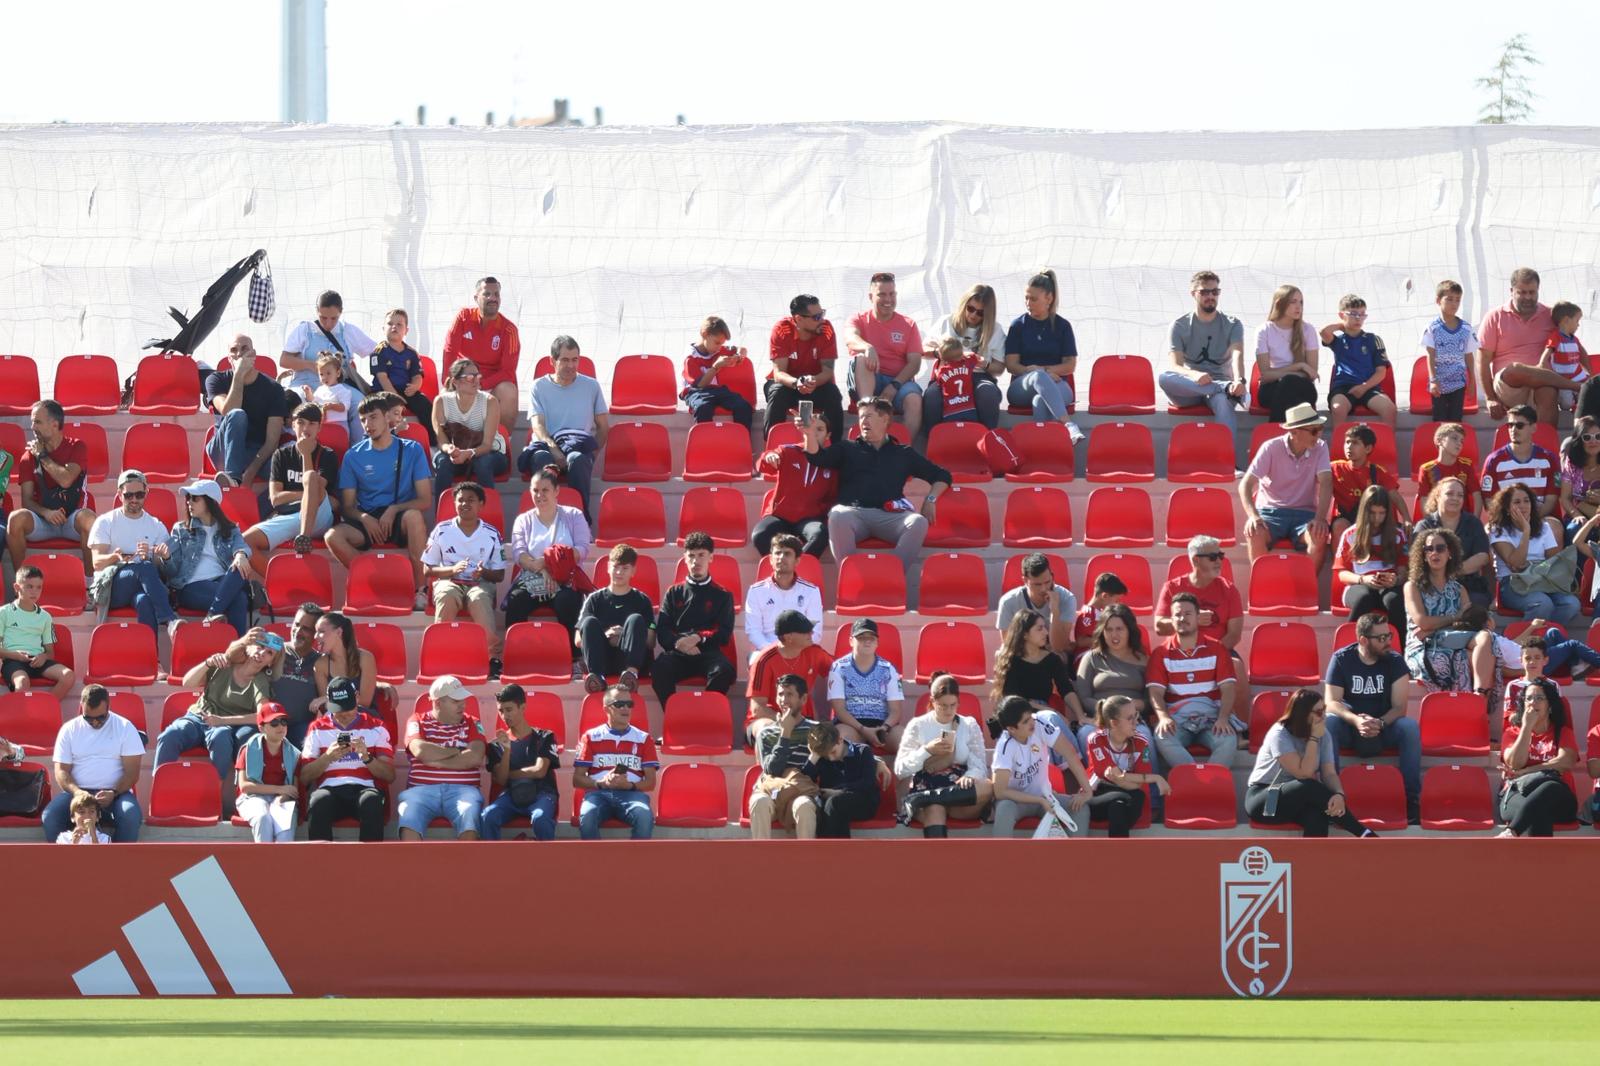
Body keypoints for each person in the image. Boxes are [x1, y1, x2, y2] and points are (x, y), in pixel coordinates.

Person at [804, 396, 952, 575]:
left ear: (885, 419)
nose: (863, 421)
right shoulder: (846, 448)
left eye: (868, 416)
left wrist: (930, 499)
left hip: (890, 516)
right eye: (860, 417)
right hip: (853, 515)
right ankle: (851, 578)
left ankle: (891, 577)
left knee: (918, 522)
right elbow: (817, 457)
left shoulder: (903, 453)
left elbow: (942, 475)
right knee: (837, 515)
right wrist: (808, 433)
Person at [325, 394, 432, 593]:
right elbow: (347, 507)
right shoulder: (353, 455)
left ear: (387, 418)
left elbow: (425, 500)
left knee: (415, 517)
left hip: (400, 517)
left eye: (373, 417)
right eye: (363, 419)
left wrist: (394, 509)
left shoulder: (412, 449)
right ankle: (374, 580)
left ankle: (421, 590)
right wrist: (364, 518)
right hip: (369, 519)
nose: (368, 424)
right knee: (332, 536)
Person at [157, 627, 281, 796]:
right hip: (197, 718)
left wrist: (223, 721)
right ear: (250, 646)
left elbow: (261, 716)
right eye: (260, 646)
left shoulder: (260, 682)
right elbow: (187, 683)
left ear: (271, 662)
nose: (261, 653)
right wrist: (207, 663)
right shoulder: (225, 664)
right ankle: (160, 791)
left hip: (221, 725)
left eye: (269, 653)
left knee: (221, 738)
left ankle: (213, 797)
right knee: (170, 735)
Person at [1324, 612, 1422, 824]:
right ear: (1363, 640)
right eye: (1381, 638)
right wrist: (1356, 721)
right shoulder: (1342, 659)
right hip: (1350, 728)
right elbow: (1331, 702)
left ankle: (1411, 800)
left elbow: (1399, 707)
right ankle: (1332, 797)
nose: (1387, 642)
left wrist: (1380, 722)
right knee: (1328, 722)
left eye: (1389, 636)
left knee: (1410, 727)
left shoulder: (1395, 661)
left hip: (1383, 728)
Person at [1245, 688, 1375, 837]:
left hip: (1294, 801)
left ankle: (1312, 860)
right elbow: (1304, 774)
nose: (1324, 716)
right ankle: (1363, 833)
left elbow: (1329, 773)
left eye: (1324, 710)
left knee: (1318, 816)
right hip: (1265, 800)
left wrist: (1339, 795)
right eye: (1319, 712)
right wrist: (1313, 738)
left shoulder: (1323, 734)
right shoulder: (1280, 734)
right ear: (1303, 713)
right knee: (1308, 785)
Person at [1153, 535, 1247, 717]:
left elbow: (1234, 635)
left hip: (1219, 650)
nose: (1219, 561)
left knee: (1236, 668)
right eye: (1213, 557)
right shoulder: (1173, 587)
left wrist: (1210, 654)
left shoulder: (1228, 589)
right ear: (1196, 560)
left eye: (1221, 555)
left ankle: (1242, 729)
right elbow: (1159, 626)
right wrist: (1188, 620)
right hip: (1178, 651)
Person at [517, 337, 608, 520]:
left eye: (575, 360)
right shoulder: (539, 387)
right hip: (547, 448)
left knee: (578, 459)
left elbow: (603, 427)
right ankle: (543, 520)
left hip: (577, 448)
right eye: (565, 360)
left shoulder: (591, 386)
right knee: (542, 457)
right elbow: (538, 426)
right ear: (553, 361)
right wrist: (555, 450)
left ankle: (581, 521)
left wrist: (593, 452)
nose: (571, 365)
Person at [421, 481, 506, 675]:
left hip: (480, 583)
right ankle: (439, 655)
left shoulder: (492, 534)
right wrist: (452, 569)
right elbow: (427, 569)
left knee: (479, 599)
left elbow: (499, 575)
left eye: (471, 500)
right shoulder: (441, 530)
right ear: (454, 504)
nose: (465, 504)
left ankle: (492, 659)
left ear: (481, 504)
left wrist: (483, 572)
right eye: (460, 500)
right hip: (449, 581)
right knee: (446, 596)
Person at [40, 685, 143, 843]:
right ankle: (62, 864)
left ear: (108, 707)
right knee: (50, 817)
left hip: (115, 793)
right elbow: (61, 771)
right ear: (81, 707)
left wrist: (113, 792)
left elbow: (132, 773)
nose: (94, 722)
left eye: (100, 718)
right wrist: (77, 792)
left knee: (130, 816)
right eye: (88, 717)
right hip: (77, 793)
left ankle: (120, 864)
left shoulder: (125, 727)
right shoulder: (69, 729)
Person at [1147, 594, 1239, 770]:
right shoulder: (1160, 653)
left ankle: (1209, 785)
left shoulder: (1217, 648)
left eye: (1188, 614)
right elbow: (1155, 693)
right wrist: (1164, 717)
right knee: (1162, 736)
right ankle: (1195, 781)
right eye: (1177, 614)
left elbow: (1228, 689)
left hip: (1212, 718)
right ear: (1171, 619)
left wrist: (1223, 718)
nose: (1182, 618)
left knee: (1228, 740)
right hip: (1177, 720)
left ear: (1198, 617)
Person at [895, 672, 992, 837]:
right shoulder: (918, 725)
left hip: (958, 792)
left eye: (953, 705)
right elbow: (900, 769)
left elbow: (979, 764)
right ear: (932, 702)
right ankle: (938, 861)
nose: (949, 711)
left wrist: (971, 776)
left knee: (988, 786)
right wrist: (927, 750)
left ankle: (926, 798)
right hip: (926, 783)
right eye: (943, 705)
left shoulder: (968, 724)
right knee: (935, 808)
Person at [1402, 527, 1496, 695]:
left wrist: (1483, 622)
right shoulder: (1412, 587)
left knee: (1486, 637)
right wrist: (1455, 617)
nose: (1434, 553)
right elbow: (1422, 622)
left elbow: (1467, 623)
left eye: (1440, 548)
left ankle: (1480, 695)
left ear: (1449, 553)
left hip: (1454, 641)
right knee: (1466, 658)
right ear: (1423, 555)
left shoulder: (1459, 590)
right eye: (1429, 549)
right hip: (1424, 647)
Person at [300, 675, 395, 842]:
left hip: (365, 788)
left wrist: (367, 757)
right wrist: (327, 758)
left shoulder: (376, 726)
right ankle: (319, 864)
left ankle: (371, 864)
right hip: (330, 790)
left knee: (371, 801)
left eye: (348, 708)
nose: (343, 714)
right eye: (338, 709)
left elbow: (389, 776)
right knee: (318, 801)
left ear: (357, 697)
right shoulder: (317, 728)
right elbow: (304, 776)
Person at [1240, 402, 1333, 569]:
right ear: (1293, 431)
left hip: (1305, 514)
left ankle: (1308, 589)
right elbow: (1245, 485)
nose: (1319, 434)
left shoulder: (1320, 447)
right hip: (1270, 512)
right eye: (1314, 430)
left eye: (1320, 428)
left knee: (1319, 534)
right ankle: (1261, 586)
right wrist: (1253, 516)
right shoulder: (1271, 447)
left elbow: (1326, 483)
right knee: (1254, 532)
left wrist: (1319, 519)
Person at [504, 464, 593, 638]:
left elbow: (582, 550)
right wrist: (543, 570)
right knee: (517, 600)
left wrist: (546, 562)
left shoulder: (573, 515)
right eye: (535, 490)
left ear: (556, 491)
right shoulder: (523, 520)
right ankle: (514, 654)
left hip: (566, 578)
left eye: (545, 490)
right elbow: (519, 554)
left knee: (567, 601)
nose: (540, 495)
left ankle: (574, 660)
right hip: (532, 576)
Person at [6, 399, 95, 572]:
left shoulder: (77, 446)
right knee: (15, 519)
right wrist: (46, 513)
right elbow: (26, 501)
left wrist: (42, 456)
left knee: (89, 518)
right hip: (43, 520)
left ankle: (90, 585)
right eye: (32, 422)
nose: (32, 427)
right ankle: (21, 582)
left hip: (72, 519)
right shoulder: (28, 457)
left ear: (54, 424)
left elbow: (66, 479)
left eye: (37, 422)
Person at [161, 479, 257, 638]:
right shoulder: (181, 529)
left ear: (210, 502)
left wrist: (240, 554)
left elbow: (242, 546)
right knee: (238, 598)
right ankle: (237, 648)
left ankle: (214, 617)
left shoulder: (230, 529)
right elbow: (172, 572)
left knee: (239, 568)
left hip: (221, 581)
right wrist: (167, 558)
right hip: (190, 586)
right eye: (188, 498)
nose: (189, 502)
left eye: (195, 498)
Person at [244, 402, 340, 557]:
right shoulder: (281, 455)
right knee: (245, 542)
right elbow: (275, 499)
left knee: (310, 477)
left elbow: (315, 487)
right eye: (301, 423)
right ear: (293, 424)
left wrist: (306, 454)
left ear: (319, 427)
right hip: (291, 515)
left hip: (319, 516)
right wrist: (307, 495)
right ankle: (272, 581)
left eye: (312, 424)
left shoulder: (328, 455)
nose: (305, 428)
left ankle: (305, 537)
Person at [987, 696, 1091, 838]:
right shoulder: (1004, 746)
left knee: (1081, 808)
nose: (1032, 722)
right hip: (1016, 802)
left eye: (1030, 716)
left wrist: (1087, 791)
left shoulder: (1040, 723)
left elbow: (1070, 754)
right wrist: (1039, 800)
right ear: (1011, 729)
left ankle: (1074, 859)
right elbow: (1000, 792)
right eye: (1025, 721)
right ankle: (1000, 859)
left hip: (1045, 797)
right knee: (1005, 808)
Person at [651, 532, 735, 706]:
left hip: (709, 653)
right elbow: (663, 630)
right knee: (659, 668)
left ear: (711, 557)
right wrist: (680, 644)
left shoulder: (723, 595)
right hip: (679, 653)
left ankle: (704, 715)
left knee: (724, 671)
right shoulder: (674, 592)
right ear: (685, 558)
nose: (696, 561)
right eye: (691, 556)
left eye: (701, 555)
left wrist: (698, 638)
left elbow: (724, 632)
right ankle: (673, 716)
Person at [397, 675, 486, 841]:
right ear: (437, 703)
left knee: (469, 815)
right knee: (409, 817)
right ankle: (413, 867)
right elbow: (420, 750)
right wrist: (457, 750)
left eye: (463, 699)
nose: (463, 705)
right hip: (421, 791)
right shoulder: (417, 720)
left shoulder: (472, 722)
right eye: (455, 701)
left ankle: (466, 867)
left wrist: (434, 760)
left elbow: (475, 757)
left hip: (464, 791)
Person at [87, 469, 174, 636]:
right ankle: (170, 619)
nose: (134, 499)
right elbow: (96, 562)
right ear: (120, 494)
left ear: (146, 493)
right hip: (111, 587)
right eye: (129, 495)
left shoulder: (155, 525)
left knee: (145, 600)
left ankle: (152, 658)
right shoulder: (105, 521)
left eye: (139, 494)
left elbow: (164, 568)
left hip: (142, 585)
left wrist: (154, 555)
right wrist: (115, 557)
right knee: (144, 566)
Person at [1159, 270, 1247, 433]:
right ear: (1193, 294)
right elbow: (1175, 365)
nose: (1210, 296)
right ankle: (1221, 387)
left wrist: (1240, 380)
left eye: (1215, 292)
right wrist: (1193, 375)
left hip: (1221, 385)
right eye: (1205, 292)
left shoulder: (1232, 324)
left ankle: (1228, 457)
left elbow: (1237, 356)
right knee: (1164, 378)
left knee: (1222, 401)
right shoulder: (1179, 326)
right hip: (1190, 388)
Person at [1004, 268, 1084, 441]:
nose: (1028, 303)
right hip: (1022, 386)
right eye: (1026, 297)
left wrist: (1045, 371)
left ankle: (1045, 453)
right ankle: (1069, 425)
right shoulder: (1018, 326)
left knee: (1040, 401)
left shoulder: (1063, 326)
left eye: (1033, 299)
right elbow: (1011, 365)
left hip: (1057, 383)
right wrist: (1035, 373)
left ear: (1049, 298)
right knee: (1038, 377)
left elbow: (1070, 365)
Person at [844, 271, 924, 439]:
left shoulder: (908, 324)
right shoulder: (858, 319)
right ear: (870, 296)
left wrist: (894, 386)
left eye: (892, 294)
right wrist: (867, 347)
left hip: (899, 382)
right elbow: (850, 338)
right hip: (869, 379)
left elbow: (915, 363)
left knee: (915, 400)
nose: (888, 300)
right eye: (882, 294)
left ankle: (902, 452)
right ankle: (868, 413)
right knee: (861, 358)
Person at [573, 684, 658, 840]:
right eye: (619, 704)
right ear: (606, 709)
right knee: (588, 815)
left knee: (645, 816)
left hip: (632, 795)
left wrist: (630, 786)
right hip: (598, 794)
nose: (625, 708)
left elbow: (651, 783)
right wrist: (602, 783)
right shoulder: (591, 736)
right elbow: (577, 779)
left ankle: (635, 864)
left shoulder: (644, 739)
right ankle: (594, 863)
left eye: (629, 704)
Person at [204, 335, 290, 489]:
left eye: (244, 349)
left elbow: (272, 441)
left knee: (287, 471)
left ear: (254, 354)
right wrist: (238, 375)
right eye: (234, 350)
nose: (239, 354)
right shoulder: (215, 379)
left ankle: (267, 511)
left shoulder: (273, 389)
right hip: (222, 449)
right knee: (237, 414)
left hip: (255, 453)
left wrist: (251, 472)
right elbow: (228, 411)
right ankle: (232, 478)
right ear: (229, 357)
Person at [1497, 678, 1579, 837]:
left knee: (1550, 787)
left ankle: (1511, 832)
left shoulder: (1563, 732)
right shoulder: (1512, 733)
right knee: (1538, 812)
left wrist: (1528, 770)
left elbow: (1565, 762)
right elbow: (1515, 762)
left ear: (1550, 705)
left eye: (1539, 698)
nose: (1533, 702)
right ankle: (1542, 861)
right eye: (1528, 698)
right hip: (1517, 794)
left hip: (1559, 799)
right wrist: (1526, 728)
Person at [1488, 484, 1579, 627]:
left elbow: (1553, 560)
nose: (1523, 506)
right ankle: (1523, 643)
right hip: (1512, 583)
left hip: (1541, 579)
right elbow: (1516, 563)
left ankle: (1545, 639)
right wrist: (1526, 530)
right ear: (1506, 508)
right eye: (1517, 502)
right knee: (1543, 603)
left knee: (1571, 604)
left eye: (1527, 501)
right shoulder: (1498, 530)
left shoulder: (1544, 527)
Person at [991, 608, 1083, 751]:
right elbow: (1014, 699)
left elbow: (1066, 689)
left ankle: (1075, 762)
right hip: (1019, 714)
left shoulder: (1051, 659)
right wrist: (1053, 712)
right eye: (1040, 629)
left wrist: (1080, 715)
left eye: (1045, 628)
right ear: (1025, 634)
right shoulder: (1010, 661)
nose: (1046, 632)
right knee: (1048, 719)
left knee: (1048, 721)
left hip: (1043, 710)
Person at [1477, 267, 1559, 424]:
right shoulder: (1495, 317)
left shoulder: (1551, 315)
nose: (1528, 297)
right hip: (1509, 387)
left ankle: (1545, 446)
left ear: (1538, 290)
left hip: (1541, 384)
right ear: (1511, 291)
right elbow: (1483, 360)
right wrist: (1490, 398)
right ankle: (1576, 386)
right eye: (1522, 292)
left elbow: (1573, 343)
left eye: (1532, 292)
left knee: (1549, 392)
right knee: (1516, 369)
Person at [442, 276, 520, 436]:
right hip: (464, 379)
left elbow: (508, 371)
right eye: (487, 294)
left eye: (496, 294)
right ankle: (448, 445)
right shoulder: (463, 317)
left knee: (509, 391)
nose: (493, 298)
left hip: (492, 385)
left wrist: (479, 384)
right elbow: (449, 351)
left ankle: (503, 443)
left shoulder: (509, 330)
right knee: (443, 395)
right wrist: (450, 380)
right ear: (476, 298)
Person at [752, 411, 837, 558]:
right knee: (760, 535)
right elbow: (763, 466)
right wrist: (768, 457)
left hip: (810, 519)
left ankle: (797, 569)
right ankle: (779, 570)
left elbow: (832, 496)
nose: (814, 433)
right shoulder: (788, 451)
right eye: (811, 427)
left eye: (820, 429)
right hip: (781, 516)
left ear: (828, 436)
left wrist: (821, 512)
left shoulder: (832, 462)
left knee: (820, 535)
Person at [482, 683, 560, 842]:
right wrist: (507, 751)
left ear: (523, 708)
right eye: (501, 711)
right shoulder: (496, 745)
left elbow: (540, 771)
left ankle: (549, 863)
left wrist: (511, 774)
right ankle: (491, 863)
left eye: (509, 710)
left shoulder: (545, 736)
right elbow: (502, 780)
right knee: (488, 816)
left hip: (542, 793)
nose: (504, 716)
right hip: (511, 795)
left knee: (541, 818)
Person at [922, 284, 1005, 431]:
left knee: (987, 392)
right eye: (970, 309)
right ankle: (933, 441)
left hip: (978, 376)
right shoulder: (946, 322)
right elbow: (922, 350)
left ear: (988, 314)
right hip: (947, 375)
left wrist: (984, 364)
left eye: (980, 313)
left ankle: (989, 439)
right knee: (932, 396)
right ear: (964, 304)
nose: (973, 315)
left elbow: (999, 368)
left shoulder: (995, 330)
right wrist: (939, 352)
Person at [765, 293, 845, 444]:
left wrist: (812, 381)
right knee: (776, 392)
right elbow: (778, 373)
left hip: (816, 384)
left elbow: (828, 372)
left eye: (822, 314)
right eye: (816, 317)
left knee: (833, 394)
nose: (821, 320)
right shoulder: (782, 329)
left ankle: (835, 448)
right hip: (789, 385)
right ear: (799, 319)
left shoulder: (826, 329)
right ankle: (771, 450)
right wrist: (797, 383)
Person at [1083, 695, 1168, 837]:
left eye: (1136, 715)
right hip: (1098, 794)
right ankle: (1120, 854)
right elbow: (1112, 775)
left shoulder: (1141, 742)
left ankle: (1117, 854)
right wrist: (1154, 778)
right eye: (1130, 718)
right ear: (1114, 723)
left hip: (1129, 795)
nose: (1137, 721)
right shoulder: (1096, 739)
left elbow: (1137, 784)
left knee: (1126, 801)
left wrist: (1123, 780)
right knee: (1118, 804)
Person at [745, 609, 833, 746]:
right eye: (805, 631)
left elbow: (840, 671)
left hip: (803, 719)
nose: (812, 634)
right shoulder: (764, 660)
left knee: (827, 740)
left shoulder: (815, 653)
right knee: (769, 733)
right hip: (770, 719)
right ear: (788, 637)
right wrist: (783, 721)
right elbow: (757, 708)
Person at [1073, 604, 1152, 756]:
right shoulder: (1091, 658)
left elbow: (1150, 701)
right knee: (1085, 735)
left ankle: (1150, 780)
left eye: (1119, 629)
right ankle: (1093, 779)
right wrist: (1110, 711)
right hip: (1099, 720)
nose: (1114, 635)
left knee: (1144, 736)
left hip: (1134, 720)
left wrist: (1130, 709)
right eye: (1108, 629)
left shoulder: (1144, 661)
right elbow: (1084, 697)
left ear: (1130, 631)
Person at [748, 676, 821, 840]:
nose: (784, 700)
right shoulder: (766, 733)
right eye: (780, 694)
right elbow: (772, 770)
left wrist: (876, 761)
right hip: (772, 791)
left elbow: (840, 748)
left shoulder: (816, 730)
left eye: (789, 694)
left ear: (803, 699)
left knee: (804, 805)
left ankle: (807, 862)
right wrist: (785, 734)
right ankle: (760, 861)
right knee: (759, 801)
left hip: (800, 791)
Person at [576, 543, 654, 694]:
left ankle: (631, 675)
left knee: (635, 619)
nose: (619, 572)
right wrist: (606, 636)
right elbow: (578, 640)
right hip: (602, 659)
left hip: (629, 658)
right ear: (608, 567)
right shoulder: (594, 599)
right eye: (616, 566)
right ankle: (596, 677)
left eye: (625, 568)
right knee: (589, 622)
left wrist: (624, 635)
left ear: (633, 571)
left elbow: (651, 642)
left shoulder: (642, 600)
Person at [430, 357, 507, 504]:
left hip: (490, 453)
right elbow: (442, 440)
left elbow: (487, 444)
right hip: (458, 454)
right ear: (455, 382)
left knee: (482, 463)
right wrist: (450, 449)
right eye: (470, 377)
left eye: (478, 376)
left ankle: (489, 515)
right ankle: (441, 517)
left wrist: (469, 453)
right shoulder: (441, 402)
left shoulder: (490, 401)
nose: (476, 380)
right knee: (443, 462)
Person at [1333, 484, 1409, 631]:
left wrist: (1396, 580)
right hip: (1358, 586)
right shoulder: (1350, 534)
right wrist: (1363, 580)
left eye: (1382, 513)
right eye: (1372, 513)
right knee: (1364, 599)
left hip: (1388, 588)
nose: (1377, 518)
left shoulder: (1397, 535)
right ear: (1364, 511)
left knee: (1395, 600)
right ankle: (1350, 646)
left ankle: (1402, 649)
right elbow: (1342, 573)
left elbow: (1403, 571)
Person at [802, 719, 895, 838]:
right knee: (827, 807)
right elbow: (805, 780)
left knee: (835, 803)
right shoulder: (823, 756)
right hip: (832, 803)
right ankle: (832, 850)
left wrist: (841, 791)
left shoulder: (862, 751)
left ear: (840, 740)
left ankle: (834, 851)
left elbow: (868, 783)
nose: (830, 758)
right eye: (826, 755)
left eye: (833, 752)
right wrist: (814, 756)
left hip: (863, 801)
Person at [1413, 476, 1494, 609]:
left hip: (1468, 584)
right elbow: (1418, 559)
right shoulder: (1424, 525)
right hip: (1432, 585)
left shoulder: (1473, 523)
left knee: (1476, 604)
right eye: (1449, 494)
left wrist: (1451, 572)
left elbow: (1482, 557)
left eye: (1460, 495)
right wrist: (1441, 577)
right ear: (1437, 496)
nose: (1455, 498)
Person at [743, 533, 824, 664]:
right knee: (755, 660)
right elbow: (753, 631)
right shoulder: (756, 591)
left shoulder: (811, 591)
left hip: (800, 650)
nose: (781, 557)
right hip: (767, 651)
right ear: (770, 559)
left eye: (787, 554)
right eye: (778, 553)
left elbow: (816, 632)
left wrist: (793, 651)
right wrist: (774, 651)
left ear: (797, 560)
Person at [827, 618, 906, 751]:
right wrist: (863, 729)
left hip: (883, 727)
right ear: (851, 641)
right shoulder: (838, 668)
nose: (867, 641)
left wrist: (884, 728)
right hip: (851, 726)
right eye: (861, 637)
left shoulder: (889, 669)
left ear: (877, 642)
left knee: (905, 740)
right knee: (841, 741)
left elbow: (895, 710)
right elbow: (839, 709)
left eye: (872, 638)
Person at [1319, 293, 1395, 429]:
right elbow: (1323, 332)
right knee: (1338, 408)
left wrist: (1364, 387)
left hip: (1369, 387)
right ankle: (1339, 447)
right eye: (1353, 314)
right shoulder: (1338, 341)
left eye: (1362, 314)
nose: (1358, 318)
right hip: (1344, 388)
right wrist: (1342, 325)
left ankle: (1388, 446)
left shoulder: (1373, 339)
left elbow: (1381, 372)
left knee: (1389, 409)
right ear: (1342, 315)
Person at [280, 289, 378, 393]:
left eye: (333, 318)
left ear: (341, 312)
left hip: (340, 388)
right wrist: (312, 365)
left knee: (361, 405)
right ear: (317, 311)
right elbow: (284, 360)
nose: (328, 323)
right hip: (305, 385)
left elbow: (376, 351)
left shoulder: (348, 331)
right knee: (297, 400)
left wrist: (381, 375)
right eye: (323, 317)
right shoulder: (305, 330)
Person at [0, 564, 74, 698]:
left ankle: (45, 709)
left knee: (68, 676)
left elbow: (50, 653)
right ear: (17, 587)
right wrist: (15, 655)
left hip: (38, 661)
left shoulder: (45, 616)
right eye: (29, 586)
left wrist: (43, 656)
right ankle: (21, 718)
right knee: (22, 682)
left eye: (38, 587)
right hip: (13, 662)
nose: (34, 591)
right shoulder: (3, 612)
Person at [1480, 404, 1560, 524]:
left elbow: (1551, 500)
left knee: (1555, 526)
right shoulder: (1494, 461)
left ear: (1533, 428)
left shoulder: (1550, 460)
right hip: (1507, 522)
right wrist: (1513, 521)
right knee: (1488, 531)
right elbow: (1489, 500)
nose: (1513, 430)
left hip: (1539, 520)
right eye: (1510, 425)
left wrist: (1529, 520)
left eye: (1519, 425)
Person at [233, 702, 300, 843]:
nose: (280, 726)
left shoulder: (294, 753)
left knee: (285, 830)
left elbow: (293, 789)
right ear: (261, 727)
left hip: (281, 798)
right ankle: (264, 863)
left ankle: (281, 865)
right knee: (263, 818)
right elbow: (245, 786)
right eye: (274, 723)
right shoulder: (248, 749)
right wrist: (279, 789)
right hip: (252, 797)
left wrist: (280, 798)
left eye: (283, 721)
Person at [1253, 284, 1320, 420]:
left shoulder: (1308, 330)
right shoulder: (1264, 330)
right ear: (1279, 303)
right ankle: (1301, 433)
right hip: (1271, 388)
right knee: (1288, 389)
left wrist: (1282, 374)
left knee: (1289, 384)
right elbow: (1265, 375)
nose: (1298, 306)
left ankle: (1274, 431)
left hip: (1303, 387)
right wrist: (1299, 366)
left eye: (1301, 302)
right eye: (1293, 302)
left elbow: (1311, 374)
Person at [369, 307, 435, 445]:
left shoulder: (411, 353)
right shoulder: (378, 352)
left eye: (399, 324)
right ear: (383, 328)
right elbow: (383, 378)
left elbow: (417, 375)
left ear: (406, 330)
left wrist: (415, 386)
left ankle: (434, 442)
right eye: (390, 324)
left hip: (406, 391)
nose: (394, 327)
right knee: (380, 408)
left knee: (425, 405)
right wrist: (396, 399)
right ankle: (382, 442)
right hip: (384, 391)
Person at [1329, 423, 1401, 545]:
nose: (1349, 447)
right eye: (1347, 442)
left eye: (1355, 443)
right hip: (1346, 517)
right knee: (1339, 525)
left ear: (1368, 448)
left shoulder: (1377, 471)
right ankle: (1340, 562)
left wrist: (1407, 519)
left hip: (1370, 517)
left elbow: (1395, 496)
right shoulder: (1334, 468)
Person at [996, 551, 1079, 655]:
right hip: (1022, 653)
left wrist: (1055, 611)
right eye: (1037, 584)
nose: (1043, 589)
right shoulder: (1008, 601)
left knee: (1059, 657)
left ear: (1052, 577)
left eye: (1047, 582)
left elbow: (1059, 647)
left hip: (1052, 654)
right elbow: (1008, 643)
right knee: (1002, 654)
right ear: (1025, 580)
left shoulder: (1067, 598)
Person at [681, 315, 754, 432]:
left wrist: (739, 356)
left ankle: (742, 444)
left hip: (717, 391)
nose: (719, 348)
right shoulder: (691, 357)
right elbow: (699, 385)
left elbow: (742, 349)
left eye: (722, 344)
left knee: (743, 406)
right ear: (704, 334)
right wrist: (716, 367)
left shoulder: (717, 349)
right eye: (717, 343)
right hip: (696, 392)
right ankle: (705, 445)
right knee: (703, 408)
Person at [1420, 280, 1477, 422]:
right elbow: (1430, 355)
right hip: (1439, 383)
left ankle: (1455, 443)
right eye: (1449, 299)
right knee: (1439, 419)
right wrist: (1433, 380)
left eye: (1457, 300)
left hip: (1458, 382)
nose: (1454, 304)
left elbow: (1469, 355)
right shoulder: (1432, 328)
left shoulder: (1466, 329)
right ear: (1438, 301)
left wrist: (1472, 381)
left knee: (1455, 419)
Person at [310, 610, 381, 717]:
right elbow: (326, 707)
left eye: (321, 631)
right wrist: (329, 700)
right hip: (336, 719)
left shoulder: (365, 658)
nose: (315, 636)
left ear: (339, 632)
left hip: (364, 719)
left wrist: (329, 698)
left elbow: (364, 702)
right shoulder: (320, 664)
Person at [274, 603, 324, 748]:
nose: (298, 631)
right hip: (270, 724)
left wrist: (379, 685)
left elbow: (342, 681)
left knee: (311, 745)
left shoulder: (320, 661)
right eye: (296, 624)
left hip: (301, 727)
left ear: (316, 633)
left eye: (306, 629)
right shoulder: (274, 650)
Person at [923, 337, 996, 429]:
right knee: (971, 430)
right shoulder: (968, 362)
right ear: (962, 353)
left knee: (952, 432)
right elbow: (978, 359)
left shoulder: (942, 372)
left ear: (942, 356)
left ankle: (933, 434)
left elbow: (937, 380)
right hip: (969, 408)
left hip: (950, 412)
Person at [1416, 423, 1479, 515]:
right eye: (1454, 438)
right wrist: (1431, 524)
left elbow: (1477, 495)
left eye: (1462, 441)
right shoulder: (1426, 469)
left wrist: (1475, 522)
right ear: (1439, 441)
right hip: (1437, 521)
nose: (1459, 443)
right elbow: (1424, 499)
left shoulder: (1467, 466)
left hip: (1463, 521)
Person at [304, 350, 365, 444]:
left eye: (328, 373)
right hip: (322, 426)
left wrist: (332, 406)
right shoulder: (320, 389)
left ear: (338, 373)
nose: (324, 377)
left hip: (339, 426)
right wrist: (308, 393)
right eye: (321, 374)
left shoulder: (342, 390)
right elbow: (314, 402)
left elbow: (345, 407)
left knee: (339, 450)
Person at [1559, 416, 1600, 546]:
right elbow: (1565, 498)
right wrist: (1576, 515)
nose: (1593, 441)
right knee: (1574, 529)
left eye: (1598, 436)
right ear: (1579, 440)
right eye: (1587, 437)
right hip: (1579, 512)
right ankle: (1576, 567)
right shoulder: (1571, 464)